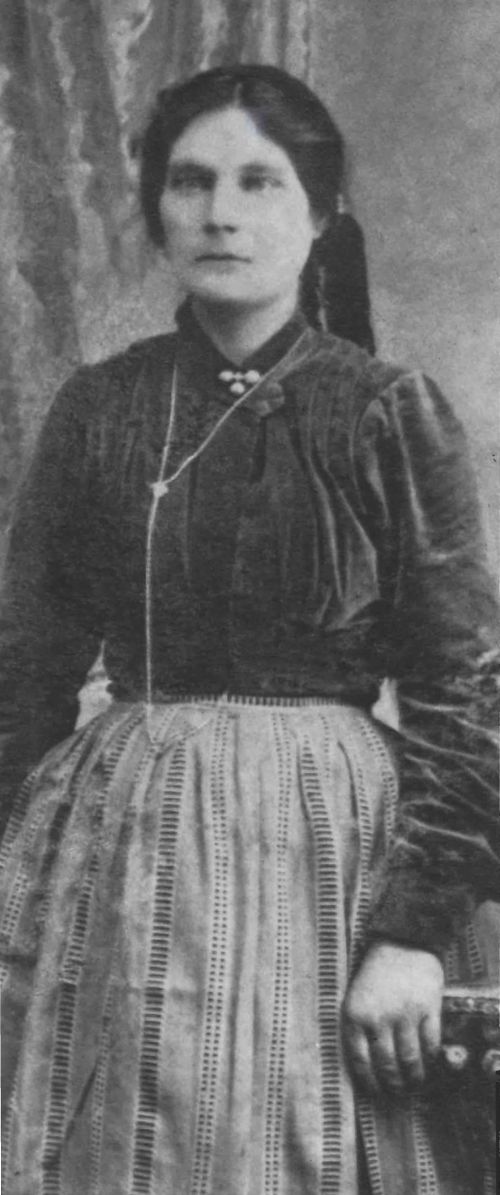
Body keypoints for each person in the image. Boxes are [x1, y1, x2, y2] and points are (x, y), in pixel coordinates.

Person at [0, 64, 497, 1195]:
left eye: (258, 182)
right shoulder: (100, 407)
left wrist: (412, 934)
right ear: (156, 209)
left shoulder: (384, 409)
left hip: (327, 865)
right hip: (118, 862)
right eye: (191, 182)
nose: (220, 213)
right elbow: (24, 675)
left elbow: (464, 691)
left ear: (319, 215)